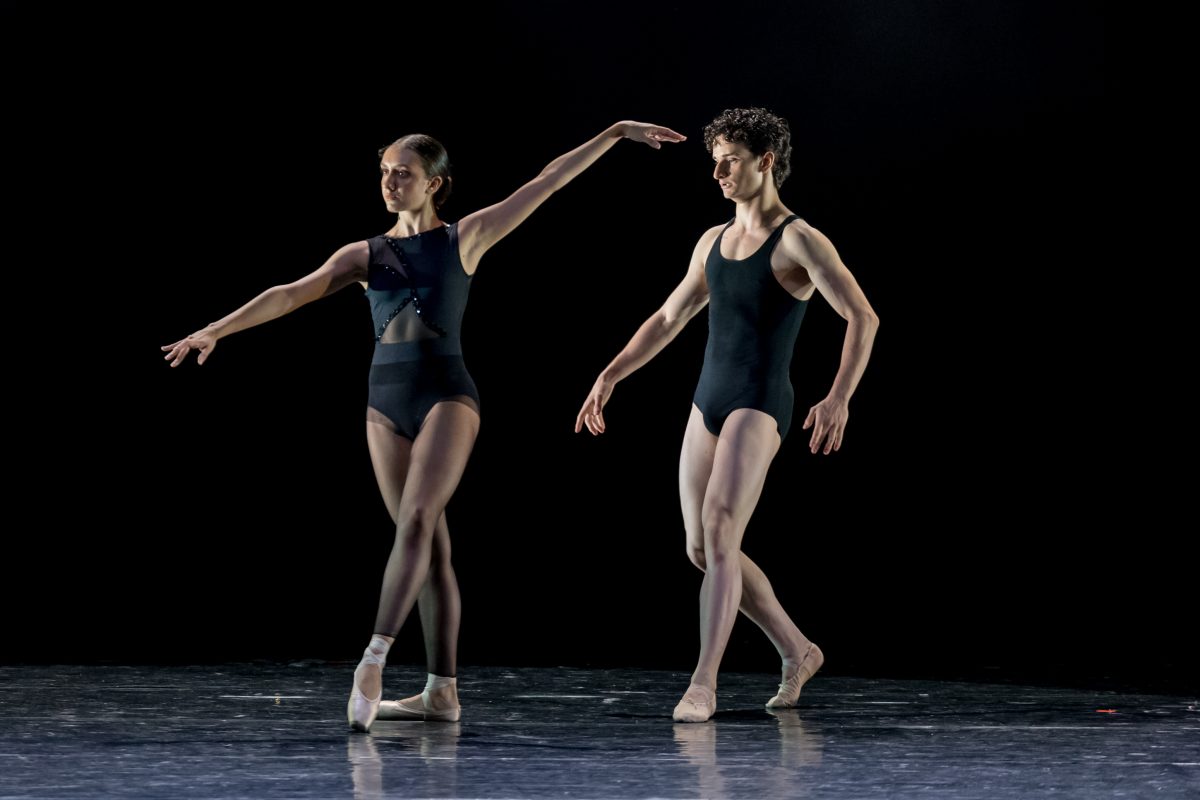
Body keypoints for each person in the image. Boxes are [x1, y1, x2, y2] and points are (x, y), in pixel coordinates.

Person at [163, 120, 685, 731]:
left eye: (402, 173)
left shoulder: (466, 237)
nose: (389, 182)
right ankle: (442, 694)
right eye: (384, 172)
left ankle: (373, 658)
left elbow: (546, 182)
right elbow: (290, 292)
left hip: (447, 396)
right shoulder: (363, 255)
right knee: (429, 546)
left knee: (415, 520)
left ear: (434, 183)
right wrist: (215, 330)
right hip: (383, 404)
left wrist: (614, 134)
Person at [575, 107, 878, 723]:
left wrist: (839, 395)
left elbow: (862, 316)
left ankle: (703, 683)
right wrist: (610, 374)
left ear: (765, 162)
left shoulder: (798, 239)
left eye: (730, 161)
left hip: (759, 402)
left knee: (719, 532)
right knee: (700, 546)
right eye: (714, 162)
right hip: (707, 400)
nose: (717, 173)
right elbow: (668, 318)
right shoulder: (711, 241)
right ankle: (798, 649)